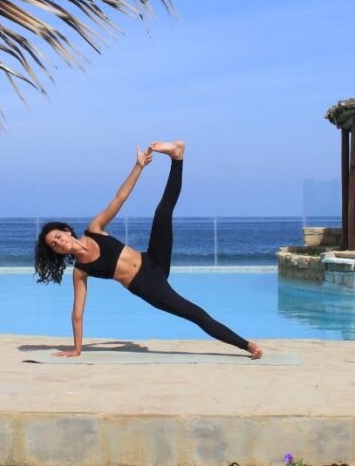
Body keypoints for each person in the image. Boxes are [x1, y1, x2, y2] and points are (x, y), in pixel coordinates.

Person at [34, 141, 263, 359]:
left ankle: (177, 156)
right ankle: (247, 345)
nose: (59, 242)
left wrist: (139, 166)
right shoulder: (81, 270)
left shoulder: (94, 229)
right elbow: (77, 313)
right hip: (146, 285)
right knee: (195, 313)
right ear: (58, 253)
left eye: (57, 236)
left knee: (162, 213)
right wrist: (77, 348)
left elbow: (120, 197)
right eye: (54, 245)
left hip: (153, 259)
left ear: (65, 230)